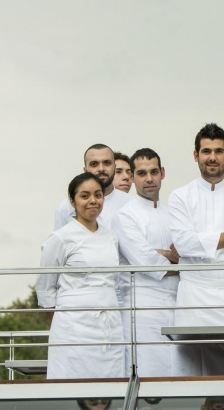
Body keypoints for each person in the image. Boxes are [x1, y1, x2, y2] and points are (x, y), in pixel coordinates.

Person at [168, 123, 224, 376]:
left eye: (219, 151)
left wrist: (202, 245)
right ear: (196, 155)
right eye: (206, 151)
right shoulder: (180, 196)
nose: (212, 157)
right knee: (189, 370)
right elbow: (184, 244)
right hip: (192, 296)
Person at [36, 172, 125, 379]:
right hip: (73, 325)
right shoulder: (60, 238)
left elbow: (114, 281)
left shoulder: (111, 236)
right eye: (85, 196)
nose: (93, 201)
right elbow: (45, 287)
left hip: (110, 324)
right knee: (72, 380)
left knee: (110, 383)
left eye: (98, 195)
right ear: (72, 201)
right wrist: (60, 321)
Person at [111, 148, 181, 377]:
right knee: (147, 379)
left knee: (179, 376)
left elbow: (191, 254)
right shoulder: (124, 215)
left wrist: (163, 255)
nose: (149, 179)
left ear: (162, 173)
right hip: (142, 307)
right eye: (142, 173)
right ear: (133, 177)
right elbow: (145, 261)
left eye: (153, 172)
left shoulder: (175, 214)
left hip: (179, 304)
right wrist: (174, 259)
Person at [53, 144, 132, 230]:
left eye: (107, 163)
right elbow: (60, 241)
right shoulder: (67, 207)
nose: (101, 169)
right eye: (94, 164)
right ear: (85, 170)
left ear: (114, 167)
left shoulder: (130, 204)